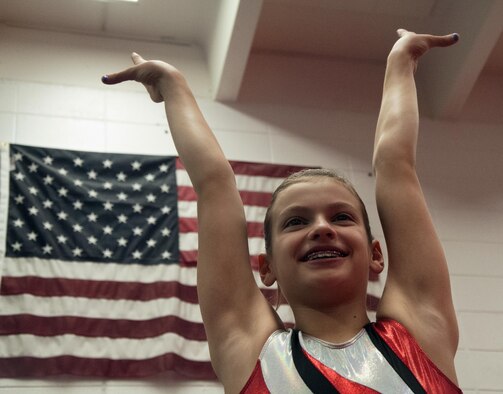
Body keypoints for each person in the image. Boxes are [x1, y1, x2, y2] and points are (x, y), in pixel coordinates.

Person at [102, 28, 462, 393]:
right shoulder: (252, 351)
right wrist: (173, 85)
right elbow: (215, 187)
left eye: (341, 217)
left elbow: (395, 165)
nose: (321, 229)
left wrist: (402, 60)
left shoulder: (419, 332)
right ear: (267, 267)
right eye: (296, 222)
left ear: (375, 253)